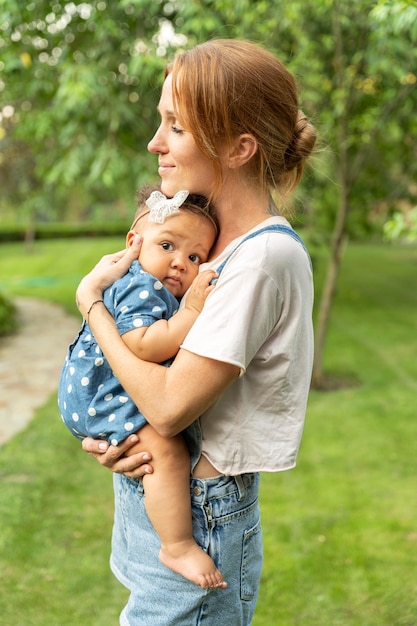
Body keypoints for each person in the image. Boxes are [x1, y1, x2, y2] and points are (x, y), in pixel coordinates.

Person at [75, 38, 317, 626]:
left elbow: (168, 408)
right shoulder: (205, 246)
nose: (155, 144)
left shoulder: (259, 260)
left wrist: (91, 306)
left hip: (204, 514)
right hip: (167, 496)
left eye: (175, 127)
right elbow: (152, 392)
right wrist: (118, 434)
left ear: (239, 147)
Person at [58, 185, 225, 589]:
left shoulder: (147, 282)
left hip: (99, 390)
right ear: (133, 243)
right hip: (102, 395)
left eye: (194, 256)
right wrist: (192, 311)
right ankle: (178, 545)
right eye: (167, 245)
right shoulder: (140, 285)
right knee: (166, 450)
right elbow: (143, 344)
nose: (180, 263)